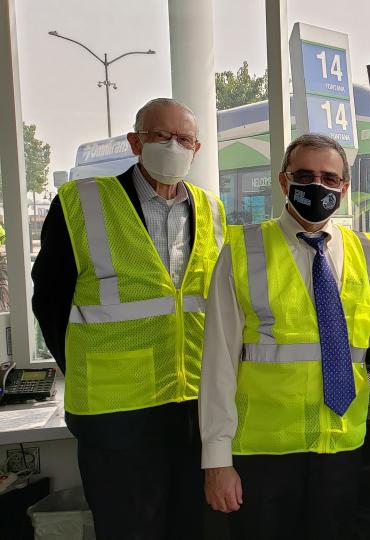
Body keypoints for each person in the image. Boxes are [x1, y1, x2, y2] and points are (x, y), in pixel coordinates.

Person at [200, 133, 370, 539]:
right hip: (263, 451)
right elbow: (217, 365)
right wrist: (217, 460)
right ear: (284, 182)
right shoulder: (243, 250)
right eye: (305, 175)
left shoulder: (366, 251)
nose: (318, 187)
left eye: (330, 178)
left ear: (344, 188)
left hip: (339, 444)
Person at [32, 97, 226, 539]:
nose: (174, 146)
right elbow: (50, 300)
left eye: (185, 139)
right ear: (136, 141)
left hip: (192, 404)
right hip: (114, 412)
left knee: (191, 526)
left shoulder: (212, 210)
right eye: (162, 136)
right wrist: (83, 367)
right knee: (128, 528)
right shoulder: (83, 203)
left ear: (196, 149)